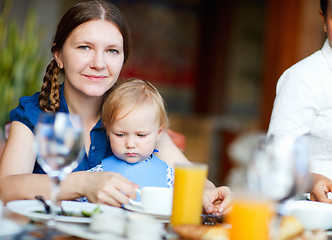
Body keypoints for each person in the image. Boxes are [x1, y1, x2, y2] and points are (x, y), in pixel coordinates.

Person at [0, 0, 232, 214]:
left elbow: (192, 178)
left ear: (123, 59)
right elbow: (6, 186)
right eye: (84, 47)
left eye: (112, 51)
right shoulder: (35, 112)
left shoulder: (135, 111)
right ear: (59, 55)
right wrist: (83, 183)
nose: (99, 63)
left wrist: (210, 193)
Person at [268, 0, 332, 203]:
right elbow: (276, 162)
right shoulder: (304, 78)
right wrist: (310, 180)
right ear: (324, 19)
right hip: (319, 216)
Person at [88, 78, 174, 192]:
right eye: (120, 134)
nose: (130, 144)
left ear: (159, 132)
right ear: (108, 130)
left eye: (141, 135)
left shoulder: (170, 176)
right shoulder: (98, 174)